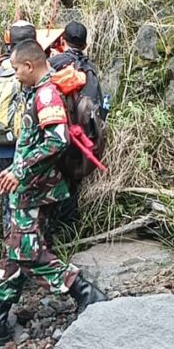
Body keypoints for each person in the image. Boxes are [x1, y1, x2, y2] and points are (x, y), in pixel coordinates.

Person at [0, 40, 107, 345]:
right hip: (29, 187)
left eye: (16, 69)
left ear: (29, 66)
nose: (15, 75)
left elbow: (57, 139)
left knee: (28, 253)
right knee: (15, 249)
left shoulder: (47, 94)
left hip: (35, 190)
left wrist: (18, 169)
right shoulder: (34, 91)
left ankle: (86, 292)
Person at [46, 21, 106, 244]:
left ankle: (49, 236)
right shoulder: (91, 71)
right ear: (86, 43)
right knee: (72, 184)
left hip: (55, 133)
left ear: (62, 41)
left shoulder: (52, 64)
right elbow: (101, 108)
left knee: (52, 182)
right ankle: (69, 234)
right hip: (82, 139)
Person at [0, 19, 39, 233]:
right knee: (30, 203)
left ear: (9, 43)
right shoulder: (33, 69)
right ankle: (31, 249)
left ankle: (10, 243)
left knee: (8, 202)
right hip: (28, 149)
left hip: (0, 147)